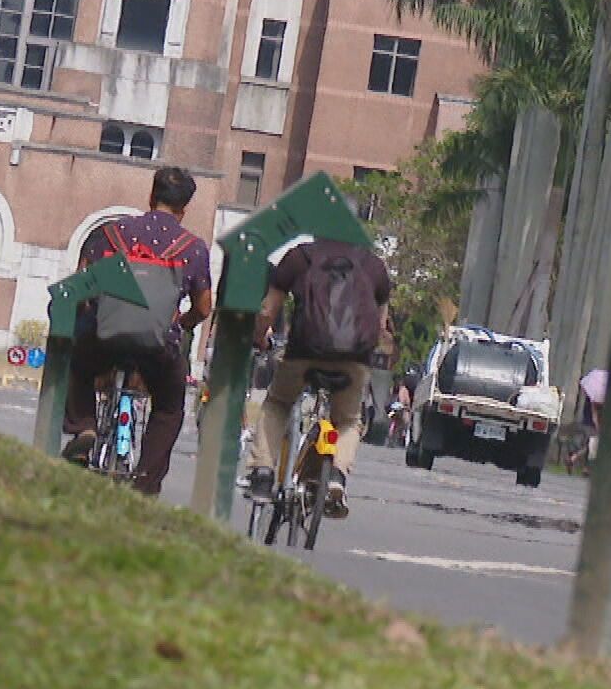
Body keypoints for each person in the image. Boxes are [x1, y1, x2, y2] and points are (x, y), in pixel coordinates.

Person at [61, 167, 214, 496]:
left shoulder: (112, 233)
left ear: (151, 196)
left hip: (106, 337)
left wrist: (92, 316)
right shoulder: (193, 248)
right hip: (158, 347)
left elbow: (81, 286)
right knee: (169, 407)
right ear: (185, 207)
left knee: (78, 364)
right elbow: (204, 308)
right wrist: (180, 325)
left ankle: (84, 428)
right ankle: (145, 483)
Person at [247, 237, 394, 519]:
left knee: (277, 403)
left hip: (304, 351)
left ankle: (263, 472)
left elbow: (267, 311)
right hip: (353, 359)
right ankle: (337, 477)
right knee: (348, 421)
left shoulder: (299, 257)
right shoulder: (374, 266)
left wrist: (259, 339)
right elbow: (379, 328)